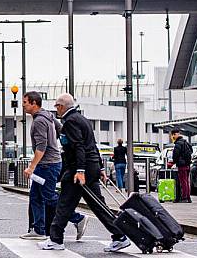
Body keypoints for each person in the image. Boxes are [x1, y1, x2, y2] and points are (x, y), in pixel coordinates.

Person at [39, 93, 130, 252]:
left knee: (64, 204)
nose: (56, 110)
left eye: (56, 106)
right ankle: (119, 236)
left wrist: (80, 170)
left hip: (79, 170)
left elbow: (79, 147)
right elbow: (92, 145)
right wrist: (100, 168)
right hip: (91, 167)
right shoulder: (83, 119)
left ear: (61, 106)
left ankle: (55, 239)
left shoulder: (70, 122)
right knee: (98, 205)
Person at [20, 91, 89, 241]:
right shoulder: (48, 116)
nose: (23, 105)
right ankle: (38, 230)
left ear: (34, 103)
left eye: (25, 102)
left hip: (47, 166)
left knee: (49, 197)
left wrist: (31, 167)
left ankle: (78, 219)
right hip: (49, 164)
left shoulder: (39, 121)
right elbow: (61, 130)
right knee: (35, 196)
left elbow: (41, 147)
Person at [171, 129, 193, 203]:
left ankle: (184, 198)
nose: (173, 137)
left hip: (182, 165)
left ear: (174, 134)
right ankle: (188, 197)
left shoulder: (178, 144)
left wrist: (175, 161)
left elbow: (175, 155)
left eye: (173, 135)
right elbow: (191, 150)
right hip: (187, 164)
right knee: (186, 181)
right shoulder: (185, 142)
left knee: (183, 182)